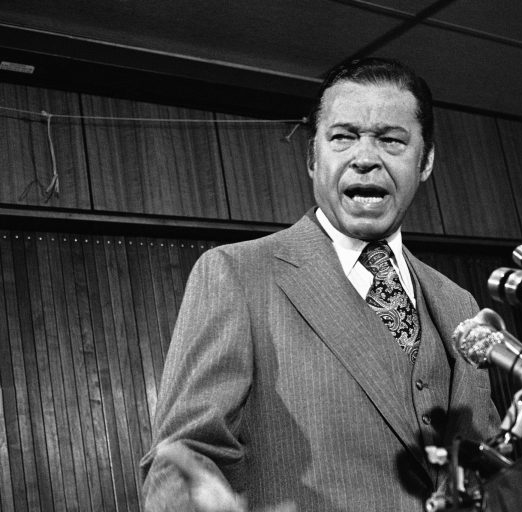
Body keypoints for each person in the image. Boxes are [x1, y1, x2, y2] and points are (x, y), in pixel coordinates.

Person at [140, 57, 499, 512]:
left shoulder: (459, 303)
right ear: (313, 158)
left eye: (391, 140)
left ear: (425, 161)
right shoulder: (236, 273)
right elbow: (184, 457)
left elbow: (490, 463)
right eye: (343, 137)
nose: (365, 158)